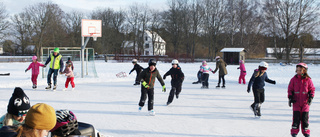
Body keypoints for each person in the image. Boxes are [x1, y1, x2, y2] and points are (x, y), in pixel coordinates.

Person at [288, 63, 315, 137]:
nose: (298, 72)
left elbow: (312, 89)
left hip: (305, 103)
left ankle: (306, 132)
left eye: (300, 70)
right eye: (297, 70)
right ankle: (294, 132)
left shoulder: (308, 80)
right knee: (296, 118)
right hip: (296, 102)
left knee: (305, 119)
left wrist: (311, 97)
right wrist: (290, 97)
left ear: (304, 71)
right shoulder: (293, 79)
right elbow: (290, 89)